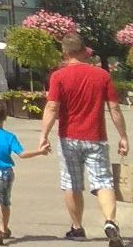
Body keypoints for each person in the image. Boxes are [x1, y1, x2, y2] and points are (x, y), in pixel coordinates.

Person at [37, 33, 129, 245]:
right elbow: (114, 108)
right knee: (104, 181)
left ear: (64, 52)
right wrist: (123, 136)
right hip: (96, 137)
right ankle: (110, 221)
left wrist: (44, 135)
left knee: (71, 183)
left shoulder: (58, 77)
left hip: (68, 138)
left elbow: (52, 107)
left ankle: (77, 227)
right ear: (84, 51)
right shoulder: (102, 75)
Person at [0, 100, 51, 245]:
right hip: (6, 171)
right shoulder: (9, 136)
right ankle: (4, 228)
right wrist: (40, 151)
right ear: (5, 117)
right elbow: (22, 154)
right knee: (5, 201)